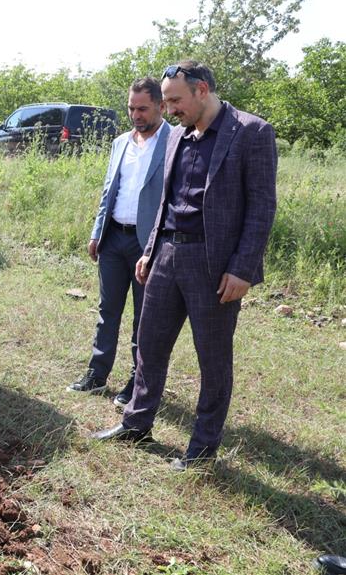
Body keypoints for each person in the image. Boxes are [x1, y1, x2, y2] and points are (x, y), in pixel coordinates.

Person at [91, 61, 278, 471]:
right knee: (150, 345)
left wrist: (243, 268)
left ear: (202, 90)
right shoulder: (177, 134)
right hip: (166, 255)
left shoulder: (252, 132)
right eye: (167, 101)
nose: (170, 108)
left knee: (213, 359)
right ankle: (136, 423)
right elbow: (166, 199)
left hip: (215, 266)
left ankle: (202, 450)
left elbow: (262, 207)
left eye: (175, 100)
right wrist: (149, 249)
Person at [67, 78, 170, 408]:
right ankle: (97, 374)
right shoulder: (120, 143)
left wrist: (158, 246)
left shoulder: (175, 142)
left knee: (145, 316)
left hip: (147, 245)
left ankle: (137, 381)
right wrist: (97, 231)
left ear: (161, 106)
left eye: (143, 109)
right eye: (131, 108)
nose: (135, 115)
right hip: (113, 238)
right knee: (107, 309)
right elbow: (108, 190)